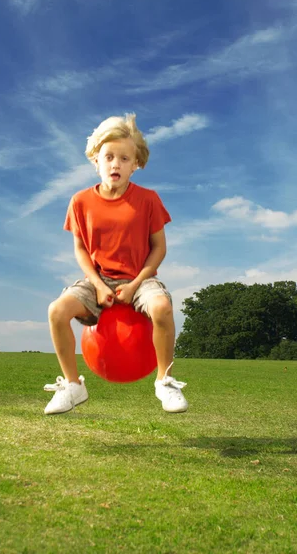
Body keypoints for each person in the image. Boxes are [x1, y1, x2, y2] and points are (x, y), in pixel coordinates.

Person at [44, 113, 188, 415]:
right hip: (98, 279)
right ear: (96, 160)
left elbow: (159, 249)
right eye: (109, 157)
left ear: (135, 164)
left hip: (140, 279)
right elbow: (81, 250)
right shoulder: (80, 201)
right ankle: (73, 386)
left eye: (124, 158)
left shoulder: (148, 200)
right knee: (57, 311)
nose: (116, 164)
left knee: (162, 307)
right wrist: (97, 285)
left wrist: (135, 284)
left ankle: (165, 381)